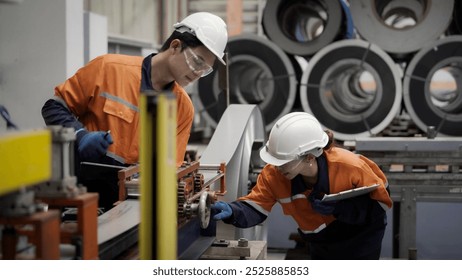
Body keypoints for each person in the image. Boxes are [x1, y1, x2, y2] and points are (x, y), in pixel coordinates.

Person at [41, 12, 228, 211]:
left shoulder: (183, 108)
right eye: (197, 62)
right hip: (77, 197)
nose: (197, 73)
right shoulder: (108, 69)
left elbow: (169, 168)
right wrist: (80, 136)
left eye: (205, 69)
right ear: (175, 46)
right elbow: (54, 106)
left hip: (128, 209)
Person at [211, 112, 392, 259]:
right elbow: (255, 207)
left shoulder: (349, 166)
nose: (277, 167)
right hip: (320, 241)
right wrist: (233, 211)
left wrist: (341, 208)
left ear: (309, 157)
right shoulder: (274, 175)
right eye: (274, 161)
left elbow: (381, 204)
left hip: (361, 238)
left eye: (284, 161)